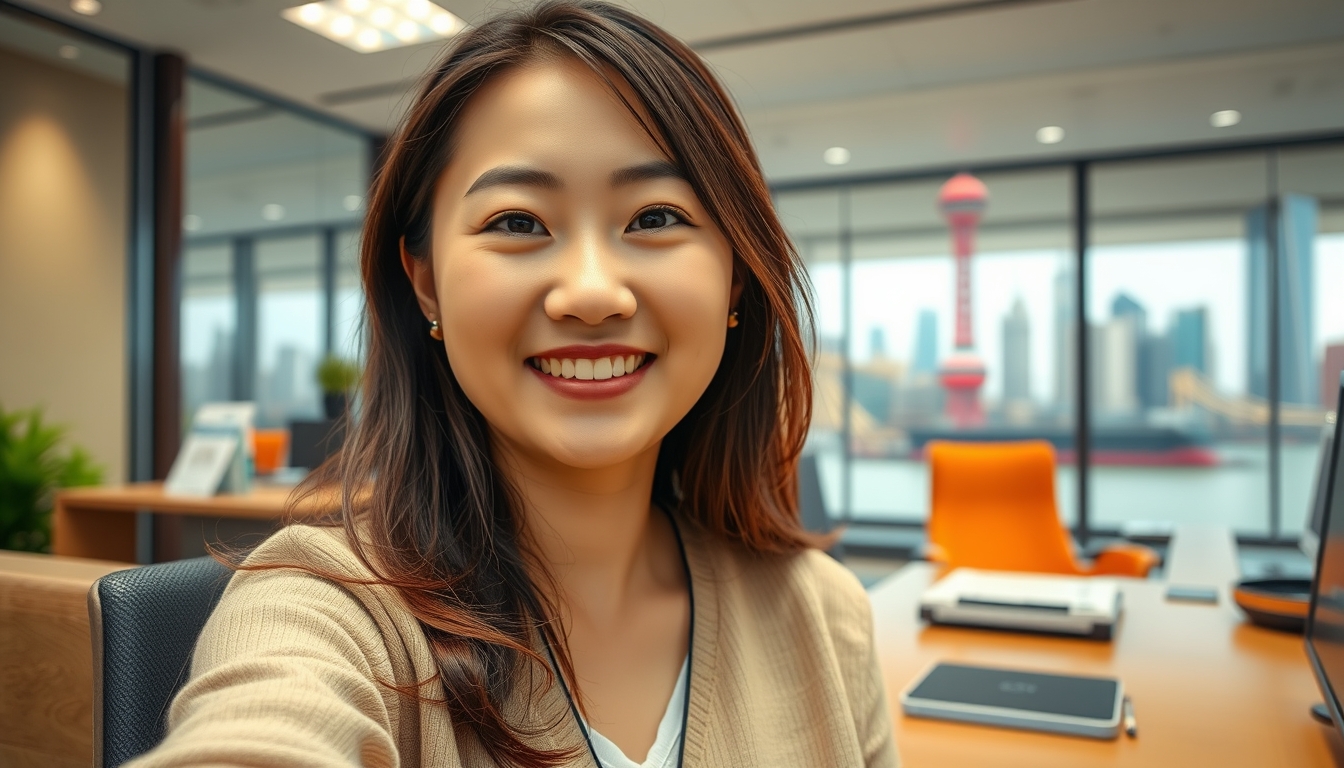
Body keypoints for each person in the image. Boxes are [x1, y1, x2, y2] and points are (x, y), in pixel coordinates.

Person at [131, 2, 897, 766]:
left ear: (735, 276)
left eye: (656, 216)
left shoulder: (824, 619)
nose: (592, 293)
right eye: (518, 223)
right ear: (426, 284)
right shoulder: (325, 613)